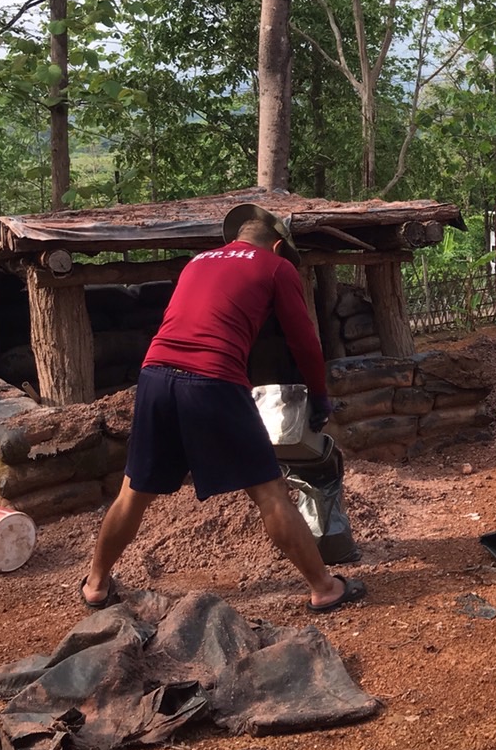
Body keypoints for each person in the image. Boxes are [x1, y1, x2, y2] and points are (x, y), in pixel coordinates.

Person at [80, 203, 366, 615]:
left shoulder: (197, 263)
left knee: (132, 493)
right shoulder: (276, 267)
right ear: (278, 245)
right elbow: (303, 339)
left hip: (155, 376)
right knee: (269, 493)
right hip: (214, 379)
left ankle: (95, 584)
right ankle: (324, 587)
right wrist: (319, 397)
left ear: (236, 238)